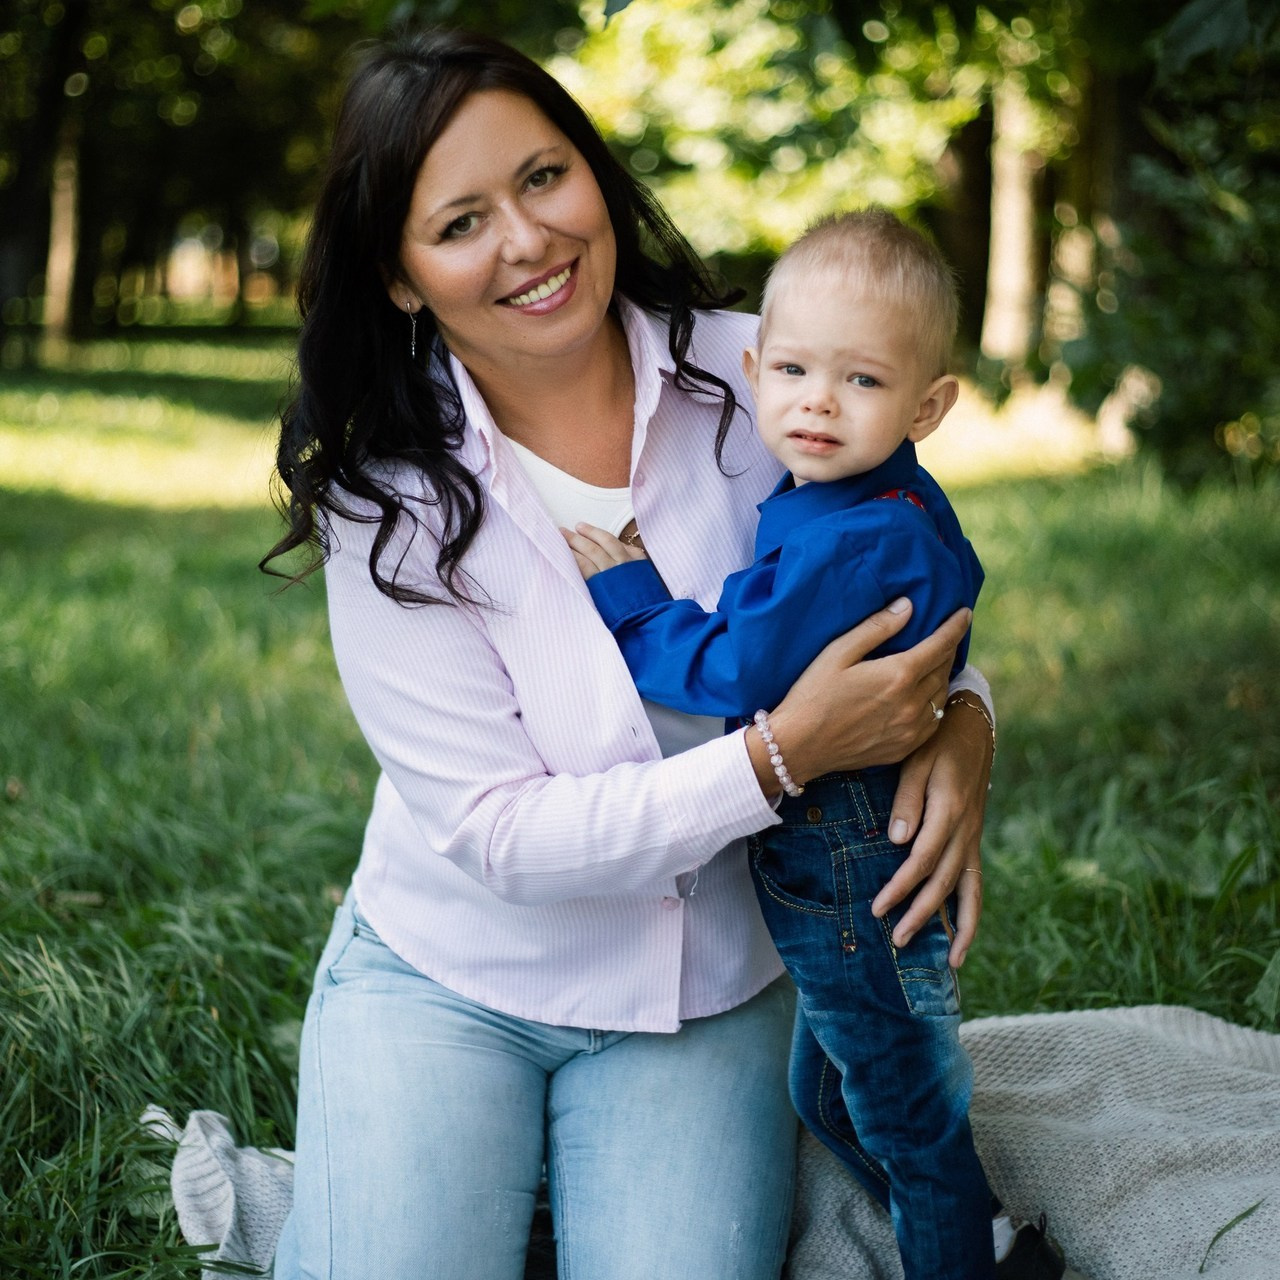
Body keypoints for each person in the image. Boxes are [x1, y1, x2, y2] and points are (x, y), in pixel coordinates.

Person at [260, 27, 996, 1280]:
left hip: (703, 989)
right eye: (460, 223)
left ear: (594, 176)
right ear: (398, 276)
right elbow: (505, 835)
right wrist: (776, 759)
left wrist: (966, 719)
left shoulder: (761, 367)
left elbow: (898, 554)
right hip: (455, 974)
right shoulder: (384, 506)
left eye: (544, 178)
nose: (528, 240)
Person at [566, 209, 1083, 1280]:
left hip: (849, 852)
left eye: (860, 381)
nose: (815, 400)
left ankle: (961, 1247)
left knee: (908, 1117)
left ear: (927, 405)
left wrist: (625, 593)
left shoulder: (859, 532)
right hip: (841, 844)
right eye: (794, 368)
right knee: (829, 1088)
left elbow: (729, 672)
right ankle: (970, 1232)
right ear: (753, 367)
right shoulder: (858, 493)